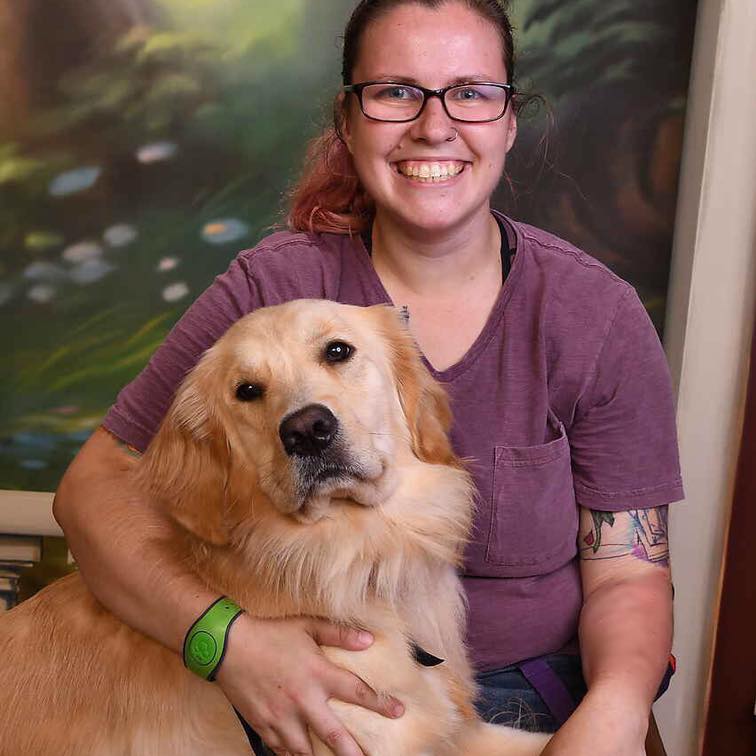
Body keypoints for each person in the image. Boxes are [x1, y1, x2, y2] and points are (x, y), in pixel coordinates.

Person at [54, 1, 683, 755]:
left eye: (472, 91)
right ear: (348, 123)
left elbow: (629, 575)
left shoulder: (596, 315)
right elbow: (92, 490)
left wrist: (613, 710)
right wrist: (227, 643)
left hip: (527, 683)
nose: (434, 125)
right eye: (395, 92)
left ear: (510, 121)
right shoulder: (270, 288)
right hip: (292, 662)